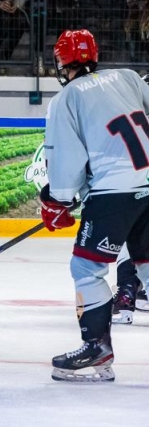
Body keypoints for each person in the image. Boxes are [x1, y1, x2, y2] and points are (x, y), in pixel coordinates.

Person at [40, 28, 149, 382]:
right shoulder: (129, 78)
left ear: (61, 62)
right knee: (147, 266)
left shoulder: (66, 98)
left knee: (86, 269)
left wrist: (56, 199)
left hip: (114, 193)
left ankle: (97, 350)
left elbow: (65, 157)